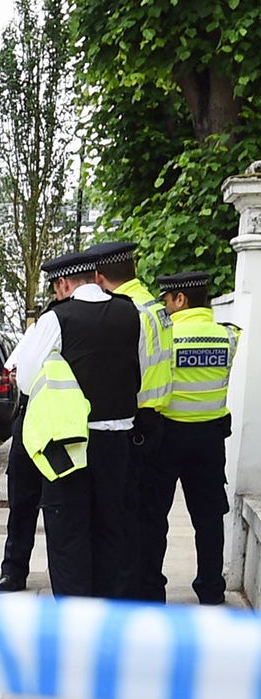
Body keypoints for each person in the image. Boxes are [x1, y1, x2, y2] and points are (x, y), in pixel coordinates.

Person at [13, 244, 147, 598]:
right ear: (96, 278)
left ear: (63, 285)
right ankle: (108, 617)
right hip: (118, 442)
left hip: (69, 443)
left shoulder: (57, 319)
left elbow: (25, 381)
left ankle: (74, 622)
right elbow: (141, 372)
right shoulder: (131, 312)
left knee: (68, 534)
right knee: (111, 531)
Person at [141, 268, 239, 604]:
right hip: (210, 439)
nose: (165, 307)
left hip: (167, 435)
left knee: (155, 516)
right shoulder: (228, 336)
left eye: (166, 300)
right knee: (209, 518)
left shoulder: (167, 337)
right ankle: (211, 588)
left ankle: (152, 589)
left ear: (180, 298)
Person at [90, 243, 177, 598]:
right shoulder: (156, 306)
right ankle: (151, 586)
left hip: (133, 422)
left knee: (124, 514)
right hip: (159, 420)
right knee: (153, 514)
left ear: (99, 277)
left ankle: (127, 593)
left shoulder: (125, 312)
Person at [0, 297, 54, 593]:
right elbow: (14, 370)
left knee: (59, 506)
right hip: (30, 419)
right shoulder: (36, 333)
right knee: (21, 503)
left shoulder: (74, 330)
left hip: (60, 421)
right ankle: (13, 571)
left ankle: (63, 575)